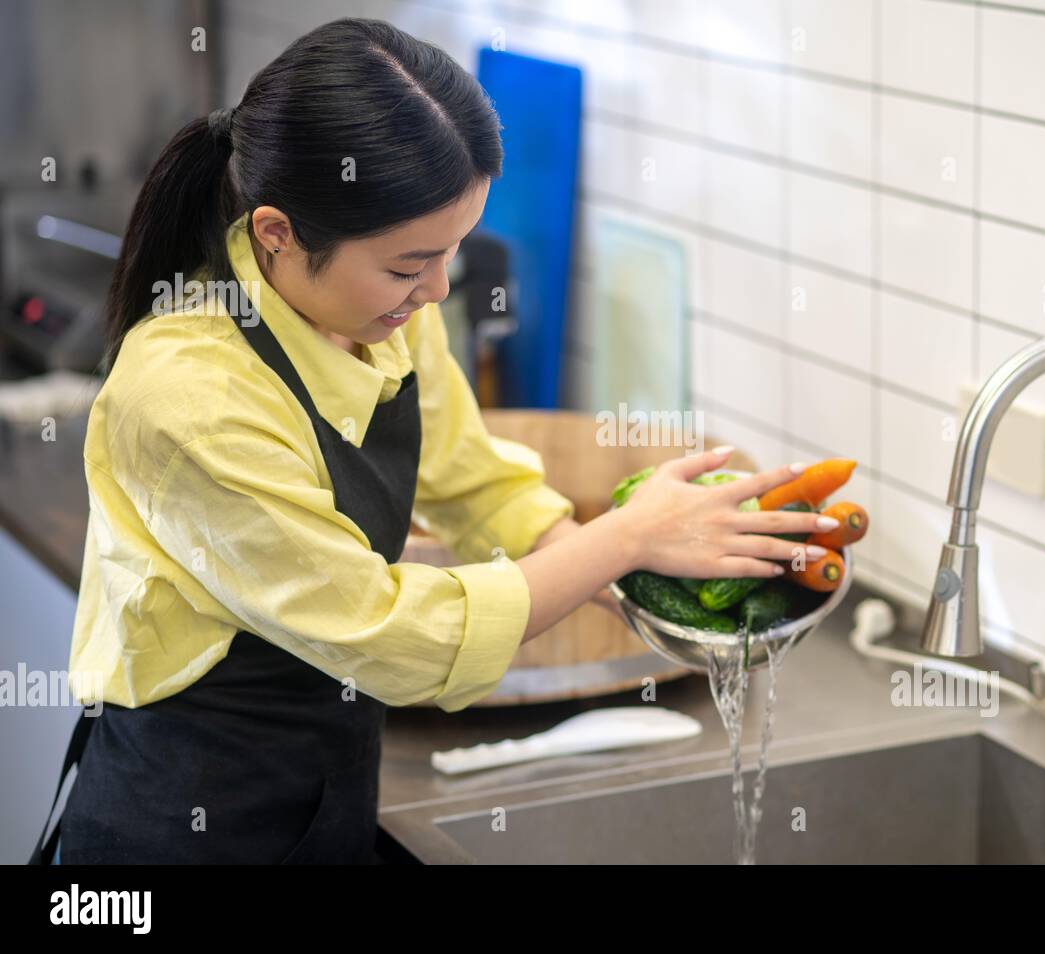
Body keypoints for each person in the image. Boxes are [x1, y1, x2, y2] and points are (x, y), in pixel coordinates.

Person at [32, 17, 835, 865]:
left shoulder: (376, 311)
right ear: (277, 234)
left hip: (327, 789)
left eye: (451, 251)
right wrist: (625, 537)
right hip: (180, 820)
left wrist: (644, 579)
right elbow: (382, 633)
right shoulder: (187, 395)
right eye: (410, 263)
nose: (438, 288)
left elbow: (475, 479)